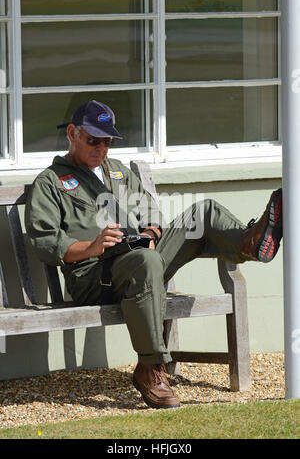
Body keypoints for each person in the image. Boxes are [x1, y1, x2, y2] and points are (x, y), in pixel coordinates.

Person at [25, 100, 283, 409]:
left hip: (135, 258)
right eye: (93, 139)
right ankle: (150, 368)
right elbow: (45, 242)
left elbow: (151, 214)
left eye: (107, 141)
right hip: (93, 276)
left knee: (202, 213)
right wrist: (92, 246)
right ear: (72, 133)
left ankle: (250, 243)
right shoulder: (51, 183)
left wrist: (149, 235)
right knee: (144, 261)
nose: (101, 148)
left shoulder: (118, 172)